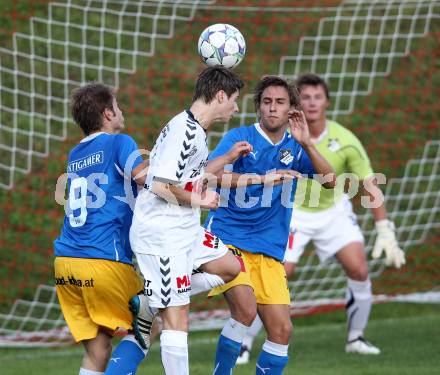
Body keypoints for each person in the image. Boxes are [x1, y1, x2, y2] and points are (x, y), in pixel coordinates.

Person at [236, 73, 406, 363]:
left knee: (359, 269)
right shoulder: (280, 135)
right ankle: (243, 344)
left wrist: (384, 228)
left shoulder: (345, 139)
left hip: (333, 211)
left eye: (318, 97)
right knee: (277, 274)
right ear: (295, 103)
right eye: (306, 97)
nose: (312, 103)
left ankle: (356, 338)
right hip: (292, 213)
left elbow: (368, 183)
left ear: (327, 101)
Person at [128, 66, 264, 375]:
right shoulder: (184, 132)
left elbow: (191, 174)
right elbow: (160, 184)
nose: (236, 107)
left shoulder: (194, 130)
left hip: (185, 228)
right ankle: (160, 297)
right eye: (234, 99)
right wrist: (199, 200)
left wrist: (226, 159)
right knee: (177, 320)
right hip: (162, 233)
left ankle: (153, 299)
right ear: (220, 95)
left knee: (231, 267)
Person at [205, 75, 336, 374]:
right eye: (266, 102)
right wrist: (262, 178)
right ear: (258, 107)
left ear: (291, 108)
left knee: (281, 331)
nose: (272, 109)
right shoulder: (240, 139)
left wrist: (307, 144)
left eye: (279, 102)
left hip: (269, 248)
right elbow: (210, 176)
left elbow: (331, 182)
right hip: (230, 240)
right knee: (245, 311)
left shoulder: (296, 146)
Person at [53, 82, 150, 375]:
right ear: (108, 113)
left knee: (98, 349)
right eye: (117, 107)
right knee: (151, 320)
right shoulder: (120, 143)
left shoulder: (75, 155)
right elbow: (144, 178)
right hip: (103, 259)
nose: (121, 112)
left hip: (66, 264)